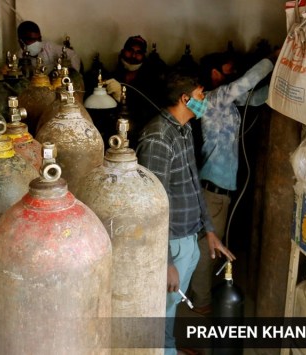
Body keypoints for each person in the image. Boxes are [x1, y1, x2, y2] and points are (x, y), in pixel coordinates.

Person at [135, 71, 235, 355]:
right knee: (160, 308)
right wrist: (164, 261)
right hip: (171, 243)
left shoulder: (184, 129)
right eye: (202, 95)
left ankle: (169, 347)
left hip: (188, 238)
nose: (205, 101)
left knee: (171, 306)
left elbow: (193, 184)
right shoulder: (157, 138)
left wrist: (210, 231)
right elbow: (153, 206)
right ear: (185, 98)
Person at [187, 51, 275, 316]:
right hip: (213, 188)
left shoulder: (226, 101)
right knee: (208, 249)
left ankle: (201, 296)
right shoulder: (214, 99)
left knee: (210, 245)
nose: (232, 75)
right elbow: (247, 82)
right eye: (227, 71)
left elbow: (257, 97)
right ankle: (201, 301)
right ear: (214, 74)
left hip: (219, 189)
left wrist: (283, 79)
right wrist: (272, 59)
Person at [105, 36, 165, 137]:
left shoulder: (151, 80)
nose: (133, 55)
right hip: (114, 132)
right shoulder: (114, 77)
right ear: (123, 51)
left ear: (143, 56)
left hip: (140, 132)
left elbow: (151, 110)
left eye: (139, 53)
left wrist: (123, 97)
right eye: (130, 50)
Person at [16, 20, 81, 74]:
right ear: (21, 42)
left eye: (39, 39)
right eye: (32, 40)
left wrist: (73, 75)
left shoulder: (48, 47)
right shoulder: (18, 59)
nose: (37, 43)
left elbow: (73, 55)